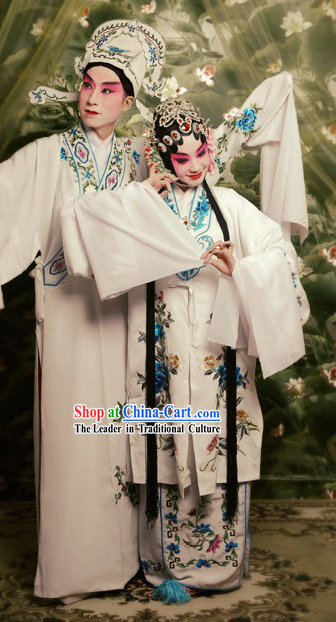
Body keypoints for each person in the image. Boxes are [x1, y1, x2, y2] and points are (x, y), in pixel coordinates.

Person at [58, 97, 309, 602]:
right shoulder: (141, 205)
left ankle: (220, 565)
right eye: (181, 159)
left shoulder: (232, 207)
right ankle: (163, 563)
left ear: (210, 150)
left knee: (219, 443)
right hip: (160, 348)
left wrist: (239, 268)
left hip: (218, 349)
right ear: (160, 157)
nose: (194, 167)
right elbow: (78, 224)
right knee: (167, 444)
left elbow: (281, 259)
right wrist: (138, 196)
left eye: (201, 155)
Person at [0, 19, 166, 603]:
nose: (92, 98)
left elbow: (170, 208)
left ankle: (128, 556)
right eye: (87, 85)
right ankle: (73, 567)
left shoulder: (136, 157)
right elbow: (2, 188)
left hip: (122, 312)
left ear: (128, 102)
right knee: (74, 433)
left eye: (108, 90)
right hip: (69, 310)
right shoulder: (50, 153)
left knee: (124, 432)